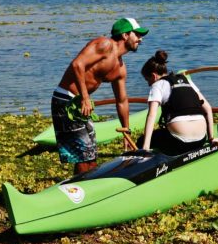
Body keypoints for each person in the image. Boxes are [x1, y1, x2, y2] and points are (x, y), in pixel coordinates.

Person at [51, 18, 149, 174]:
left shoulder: (120, 68)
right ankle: (80, 191)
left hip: (82, 105)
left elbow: (122, 101)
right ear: (125, 35)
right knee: (83, 155)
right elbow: (77, 64)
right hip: (67, 100)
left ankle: (87, 187)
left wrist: (126, 131)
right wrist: (84, 97)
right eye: (137, 35)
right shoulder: (105, 44)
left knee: (90, 154)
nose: (140, 39)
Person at [137, 50, 218, 155]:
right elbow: (208, 109)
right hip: (200, 140)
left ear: (154, 76)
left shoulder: (158, 85)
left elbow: (151, 116)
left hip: (179, 142)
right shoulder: (186, 80)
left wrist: (145, 147)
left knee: (140, 141)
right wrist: (211, 138)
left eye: (147, 80)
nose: (148, 85)